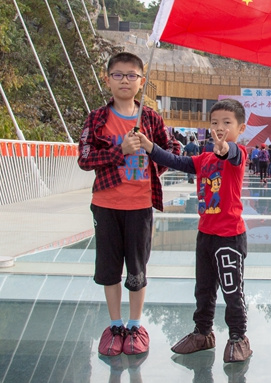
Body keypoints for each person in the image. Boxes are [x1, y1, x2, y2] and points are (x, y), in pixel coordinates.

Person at [78, 51, 179, 357]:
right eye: (118, 75)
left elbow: (171, 148)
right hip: (106, 204)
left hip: (139, 205)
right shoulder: (97, 119)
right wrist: (118, 150)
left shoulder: (149, 117)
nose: (125, 80)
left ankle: (135, 325)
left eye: (131, 75)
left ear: (141, 82)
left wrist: (152, 163)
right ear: (107, 79)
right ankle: (115, 325)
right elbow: (84, 158)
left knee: (136, 268)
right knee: (109, 268)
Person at [137, 99, 253, 363]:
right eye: (214, 123)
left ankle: (238, 337)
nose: (219, 128)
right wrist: (149, 147)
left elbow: (230, 152)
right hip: (206, 235)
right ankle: (203, 333)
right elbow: (176, 160)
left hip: (229, 237)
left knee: (232, 289)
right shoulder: (203, 159)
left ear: (240, 127)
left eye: (227, 123)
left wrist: (225, 148)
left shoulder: (238, 155)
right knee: (203, 289)